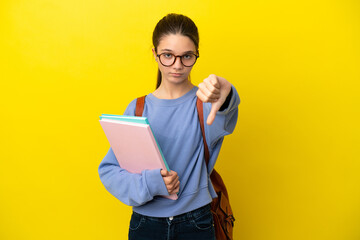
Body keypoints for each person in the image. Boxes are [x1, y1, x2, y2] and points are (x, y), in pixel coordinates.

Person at [98, 13, 240, 240]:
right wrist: (151, 183)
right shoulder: (137, 108)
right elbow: (109, 171)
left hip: (197, 222)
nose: (177, 65)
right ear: (154, 54)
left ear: (196, 55)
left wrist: (227, 92)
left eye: (186, 56)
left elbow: (226, 112)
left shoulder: (205, 104)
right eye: (168, 55)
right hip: (146, 225)